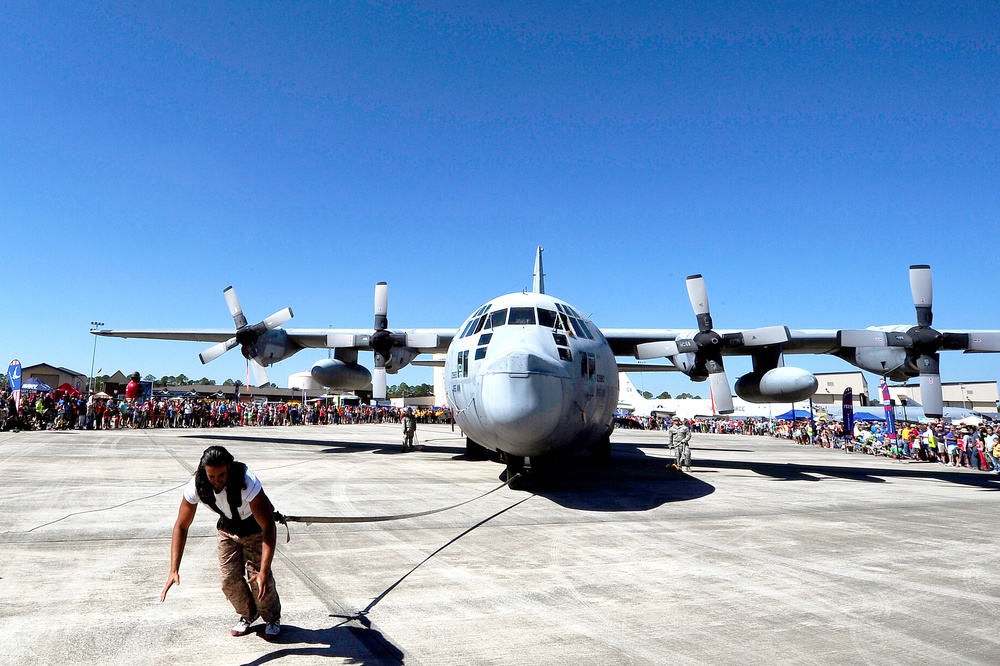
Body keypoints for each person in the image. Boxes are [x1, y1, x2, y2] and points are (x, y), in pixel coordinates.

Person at [160, 445, 282, 640]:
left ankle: (271, 618)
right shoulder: (196, 485)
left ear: (229, 468)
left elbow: (268, 526)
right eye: (212, 477)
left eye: (222, 475)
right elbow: (181, 526)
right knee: (228, 581)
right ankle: (248, 614)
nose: (217, 481)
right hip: (228, 527)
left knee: (259, 579)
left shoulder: (247, 482)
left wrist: (264, 571)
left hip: (255, 528)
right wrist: (174, 569)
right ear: (204, 472)